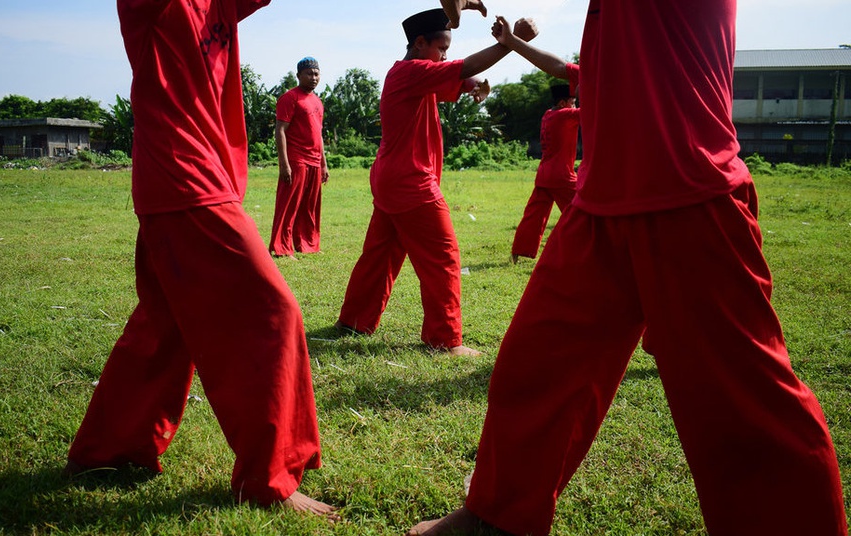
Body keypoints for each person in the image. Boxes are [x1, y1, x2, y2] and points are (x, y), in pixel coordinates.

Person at [408, 2, 847, 535]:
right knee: (533, 372)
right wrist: (516, 44)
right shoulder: (615, 42)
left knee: (744, 407)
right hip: (600, 205)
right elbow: (570, 70)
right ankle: (496, 519)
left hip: (689, 192)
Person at [63, 0, 336, 518]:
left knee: (163, 327)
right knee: (272, 314)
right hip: (186, 178)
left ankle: (108, 451)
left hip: (193, 180)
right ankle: (269, 477)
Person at [336, 9, 534, 358]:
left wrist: (475, 86)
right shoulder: (413, 71)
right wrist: (510, 43)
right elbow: (463, 68)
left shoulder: (408, 74)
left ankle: (354, 321)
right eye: (441, 48)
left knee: (379, 256)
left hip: (391, 179)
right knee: (443, 257)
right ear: (419, 43)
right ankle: (444, 340)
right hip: (412, 183)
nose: (444, 55)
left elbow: (460, 79)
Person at [510, 82, 579, 263]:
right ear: (563, 103)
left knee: (533, 216)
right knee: (581, 212)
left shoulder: (548, 115)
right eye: (574, 101)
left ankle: (518, 251)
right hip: (562, 176)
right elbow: (594, 111)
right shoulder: (566, 115)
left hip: (544, 174)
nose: (576, 105)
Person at [269, 56, 328, 258]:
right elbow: (280, 130)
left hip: (314, 161)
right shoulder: (290, 98)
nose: (313, 77)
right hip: (296, 159)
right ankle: (281, 248)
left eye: (316, 73)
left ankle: (307, 244)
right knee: (289, 205)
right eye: (309, 73)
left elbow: (318, 134)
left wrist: (324, 164)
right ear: (299, 75)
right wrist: (284, 164)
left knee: (310, 207)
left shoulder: (318, 101)